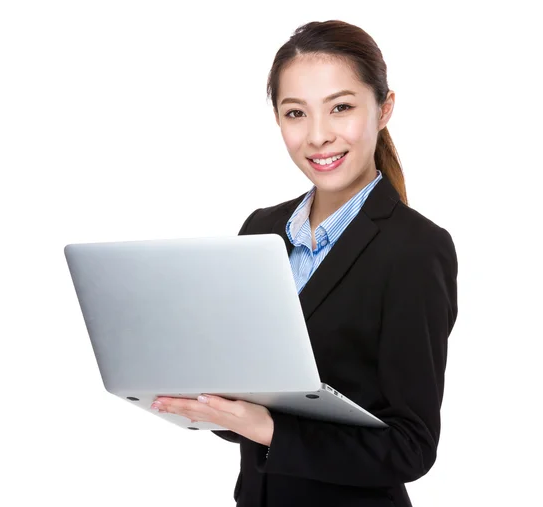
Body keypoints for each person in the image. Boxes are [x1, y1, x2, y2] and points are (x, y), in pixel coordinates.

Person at [150, 20, 458, 507]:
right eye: (296, 113)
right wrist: (208, 404)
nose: (318, 136)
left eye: (341, 107)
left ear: (384, 109)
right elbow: (249, 404)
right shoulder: (261, 229)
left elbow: (411, 447)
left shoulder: (415, 250)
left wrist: (269, 430)